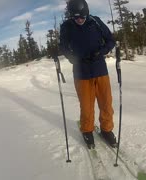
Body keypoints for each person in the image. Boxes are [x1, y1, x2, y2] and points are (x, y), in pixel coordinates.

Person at [59, 0, 116, 148]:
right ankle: (87, 130)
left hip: (100, 69)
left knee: (106, 103)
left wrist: (101, 52)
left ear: (87, 13)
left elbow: (110, 40)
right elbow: (64, 47)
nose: (79, 20)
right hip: (81, 72)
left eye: (82, 17)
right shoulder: (66, 27)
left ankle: (106, 130)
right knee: (86, 106)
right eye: (75, 17)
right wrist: (74, 59)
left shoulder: (96, 22)